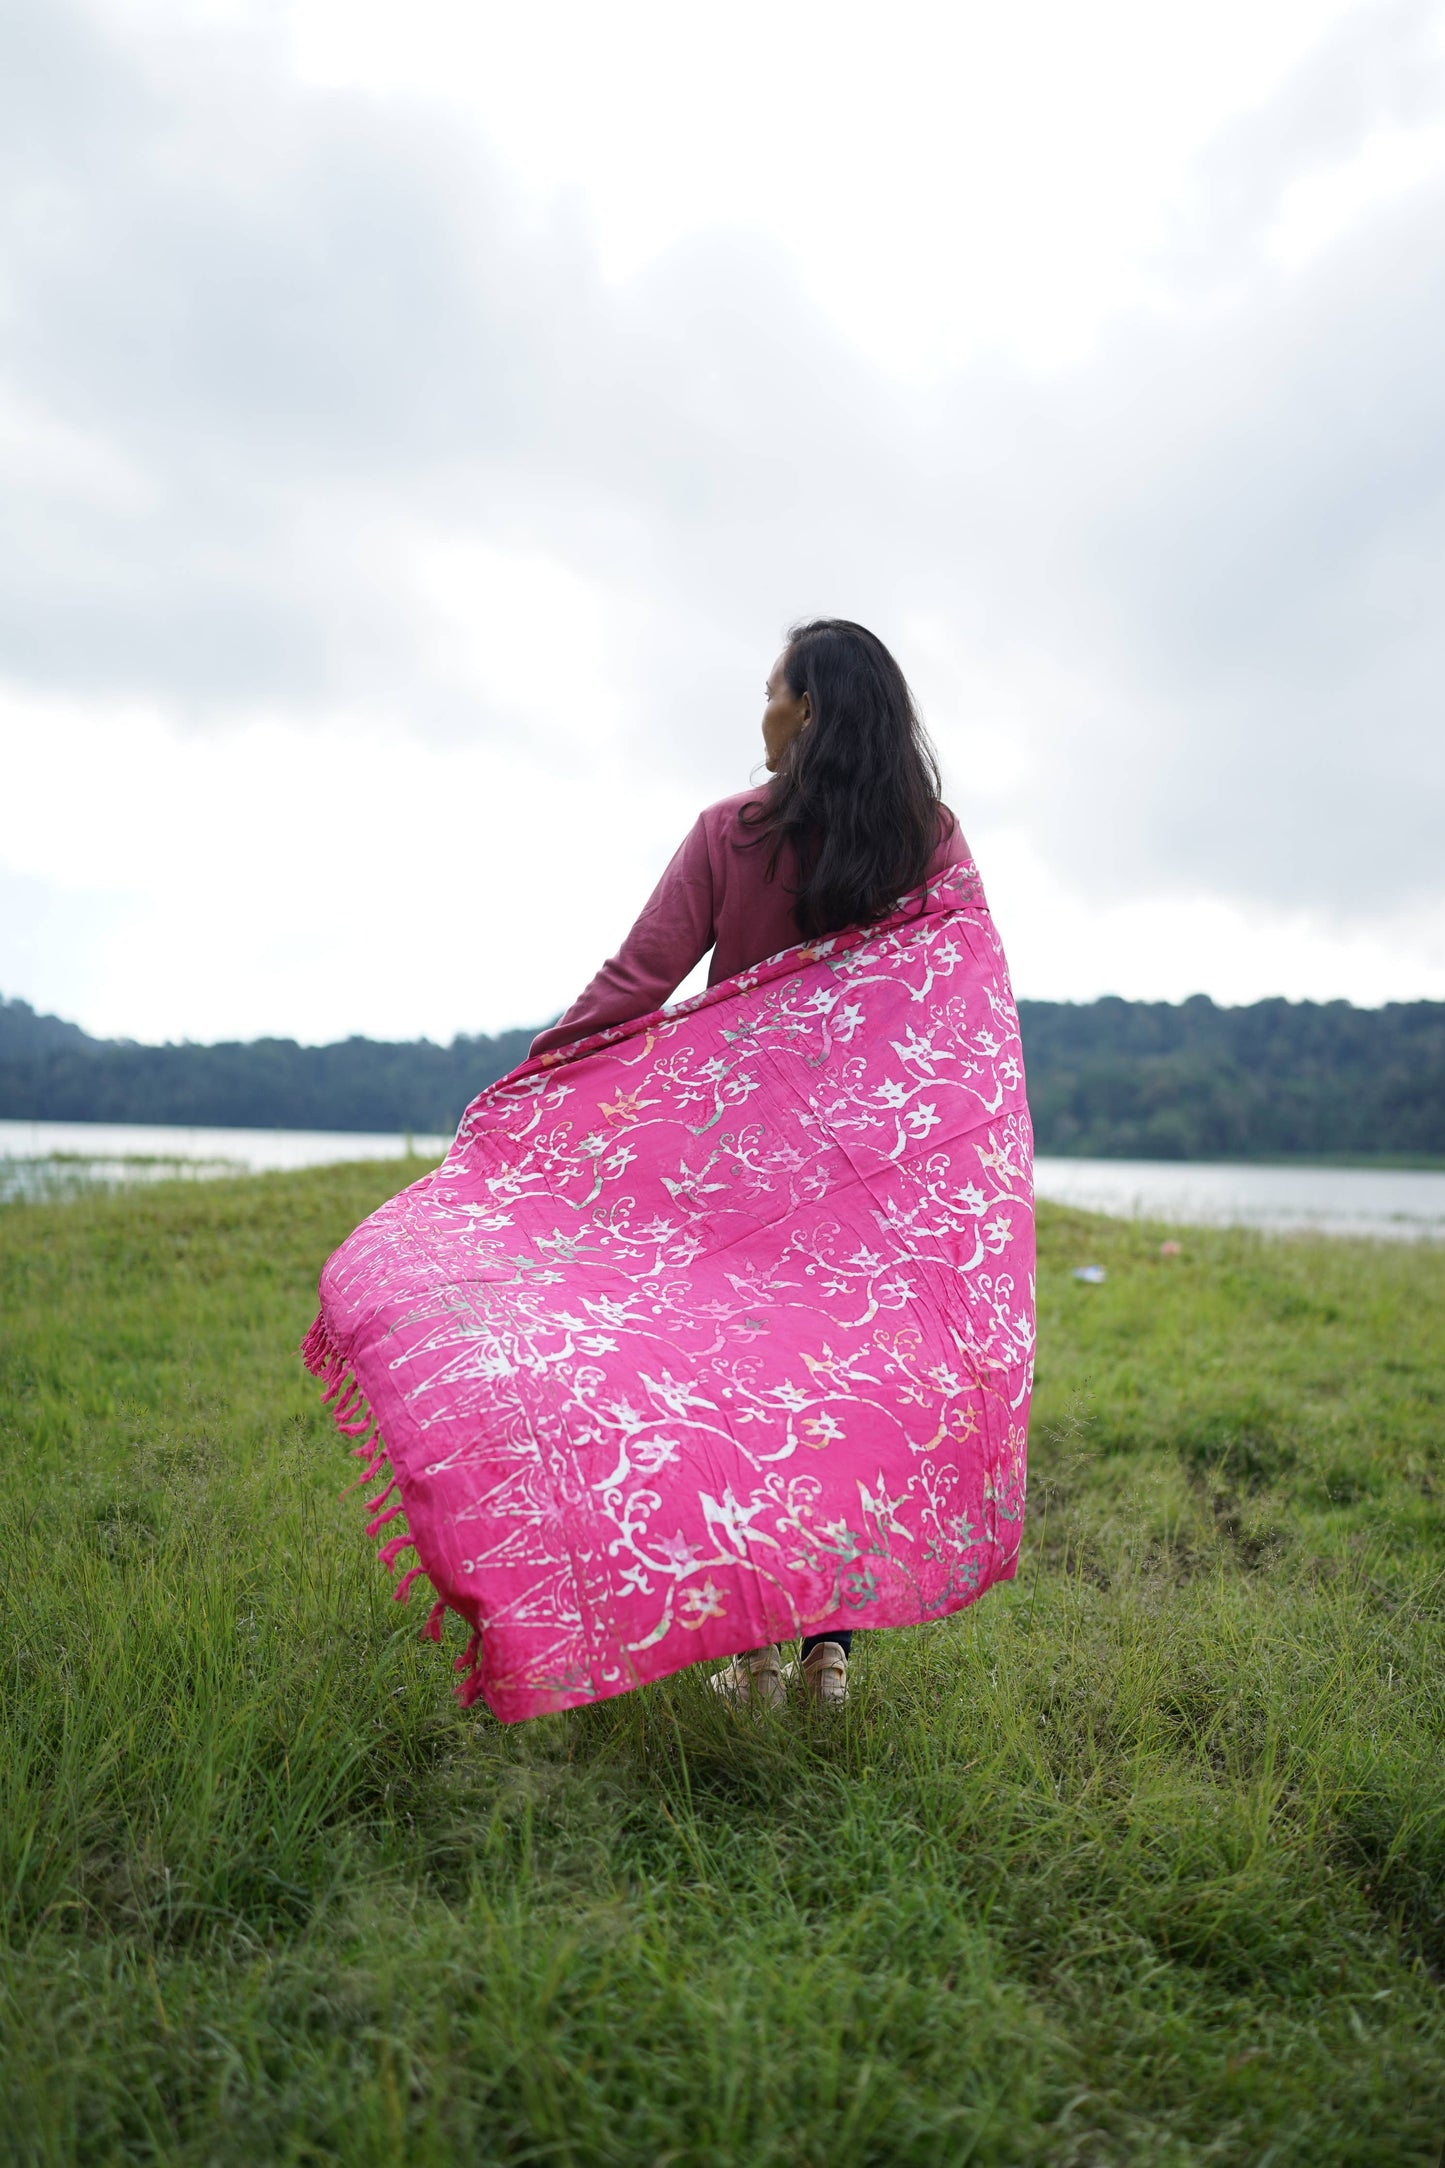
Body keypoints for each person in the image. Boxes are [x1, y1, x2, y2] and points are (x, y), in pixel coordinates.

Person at [530, 618, 969, 1710]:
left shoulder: (731, 832)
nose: (761, 714)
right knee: (837, 1399)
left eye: (771, 693)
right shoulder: (930, 840)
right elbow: (957, 1009)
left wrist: (536, 1073)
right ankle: (828, 1653)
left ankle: (758, 1652)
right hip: (869, 1179)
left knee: (742, 1397)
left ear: (807, 709)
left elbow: (636, 982)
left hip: (741, 1174)